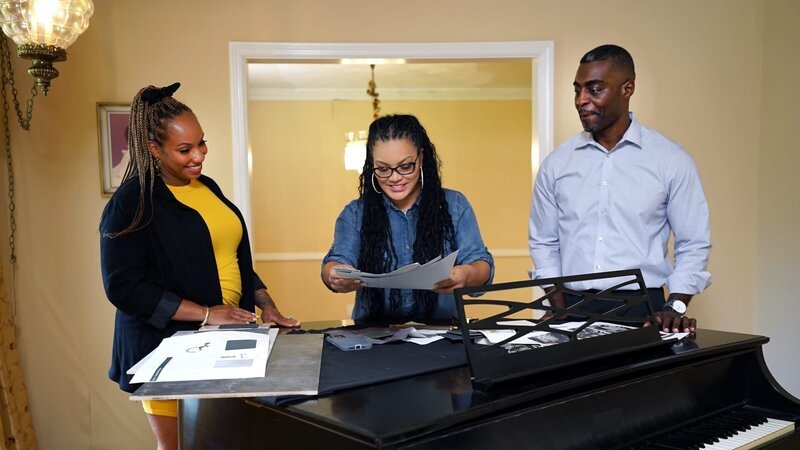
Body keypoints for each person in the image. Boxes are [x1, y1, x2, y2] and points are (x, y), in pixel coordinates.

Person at [99, 83, 299, 450]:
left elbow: (231, 257)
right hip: (167, 348)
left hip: (225, 343)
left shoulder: (208, 187)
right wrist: (207, 314)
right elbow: (123, 287)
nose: (198, 156)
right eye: (185, 149)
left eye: (201, 143)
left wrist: (266, 304)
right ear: (154, 149)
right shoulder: (132, 202)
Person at [529, 45, 711, 333]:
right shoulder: (556, 164)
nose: (581, 100)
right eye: (577, 90)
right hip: (571, 308)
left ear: (628, 88)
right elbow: (544, 241)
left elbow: (693, 243)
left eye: (594, 89)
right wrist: (556, 304)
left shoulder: (671, 160)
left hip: (645, 309)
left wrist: (675, 306)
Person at [322, 114, 494, 324]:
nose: (394, 177)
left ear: (420, 158)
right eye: (383, 169)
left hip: (444, 338)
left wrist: (465, 274)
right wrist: (334, 275)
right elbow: (335, 263)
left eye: (405, 166)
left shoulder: (455, 205)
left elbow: (482, 266)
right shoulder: (355, 213)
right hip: (374, 341)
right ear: (371, 166)